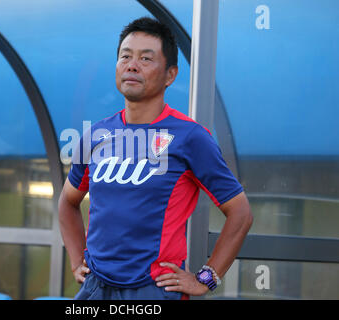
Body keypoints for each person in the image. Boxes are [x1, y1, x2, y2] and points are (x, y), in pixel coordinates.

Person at [59, 17, 253, 300]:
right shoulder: (95, 135)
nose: (132, 65)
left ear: (170, 75)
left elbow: (241, 213)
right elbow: (67, 202)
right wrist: (77, 261)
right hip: (95, 288)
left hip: (154, 291)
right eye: (125, 56)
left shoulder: (190, 137)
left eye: (146, 59)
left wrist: (206, 278)